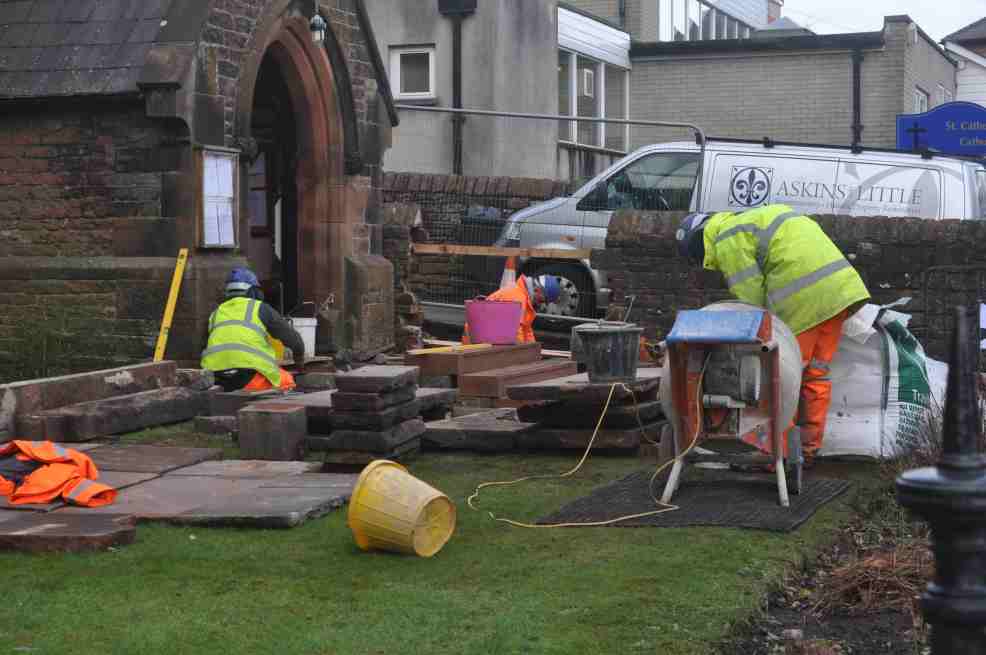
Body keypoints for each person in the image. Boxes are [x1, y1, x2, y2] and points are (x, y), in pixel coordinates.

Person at [675, 203, 870, 467]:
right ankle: (809, 450)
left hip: (805, 299)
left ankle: (778, 455)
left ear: (700, 244)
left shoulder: (726, 237)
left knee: (779, 376)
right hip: (841, 292)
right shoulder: (754, 218)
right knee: (816, 373)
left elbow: (751, 301)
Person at [201, 268, 307, 392]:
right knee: (288, 382)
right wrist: (299, 362)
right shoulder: (260, 308)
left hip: (214, 377)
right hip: (249, 376)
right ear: (253, 291)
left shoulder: (216, 313)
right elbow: (295, 341)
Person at [462, 274, 561, 344]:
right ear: (538, 290)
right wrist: (524, 354)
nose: (542, 303)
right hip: (477, 342)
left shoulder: (524, 297)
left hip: (487, 338)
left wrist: (533, 350)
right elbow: (516, 332)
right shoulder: (518, 297)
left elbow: (526, 329)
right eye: (544, 300)